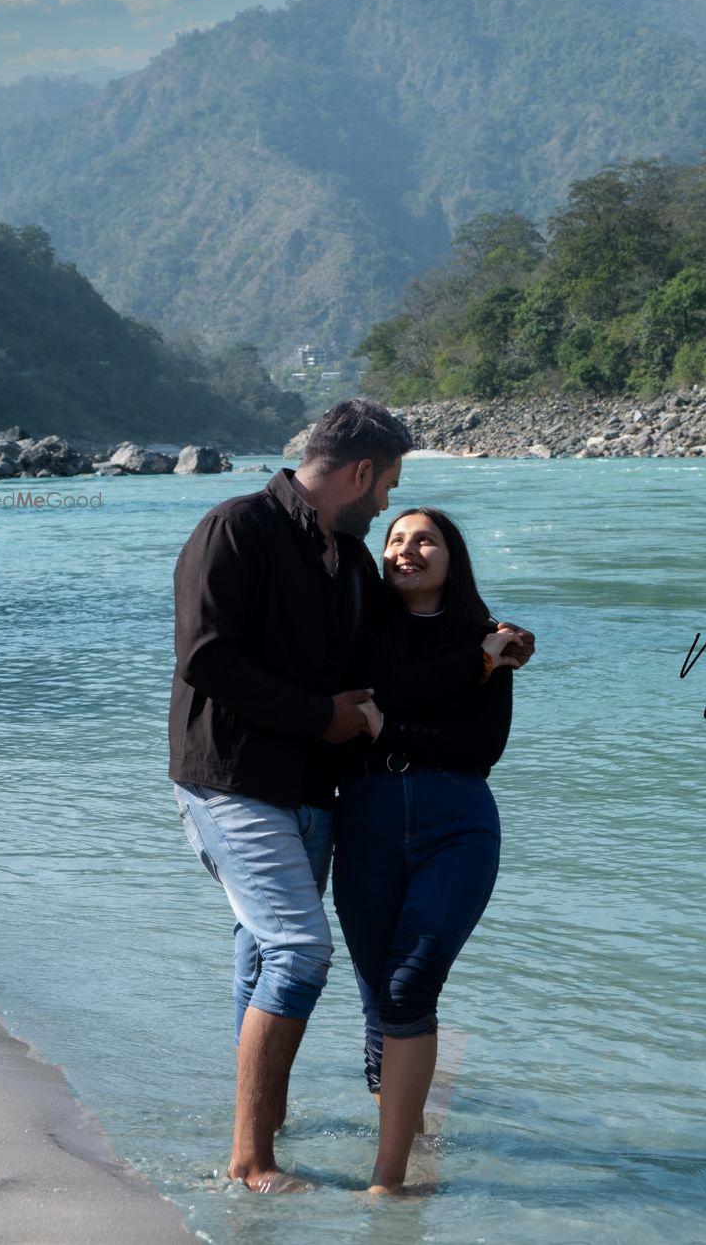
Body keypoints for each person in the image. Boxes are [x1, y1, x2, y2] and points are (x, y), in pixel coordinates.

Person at [168, 401, 528, 1193]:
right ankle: (253, 1159)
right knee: (300, 953)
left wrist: (480, 653)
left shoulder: (348, 562)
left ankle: (270, 1122)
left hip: (319, 790)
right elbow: (207, 658)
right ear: (362, 473)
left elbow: (393, 681)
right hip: (231, 776)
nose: (388, 511)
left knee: (262, 950)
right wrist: (328, 717)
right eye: (387, 490)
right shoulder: (237, 527)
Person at [332, 507, 519, 1194]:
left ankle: (391, 1181)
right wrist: (470, 669)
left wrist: (388, 733)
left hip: (458, 825)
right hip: (367, 824)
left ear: (452, 557)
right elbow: (381, 692)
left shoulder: (492, 637)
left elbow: (482, 748)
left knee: (409, 987)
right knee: (378, 1001)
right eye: (396, 540)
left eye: (426, 540)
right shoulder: (362, 632)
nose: (408, 550)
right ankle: (411, 1131)